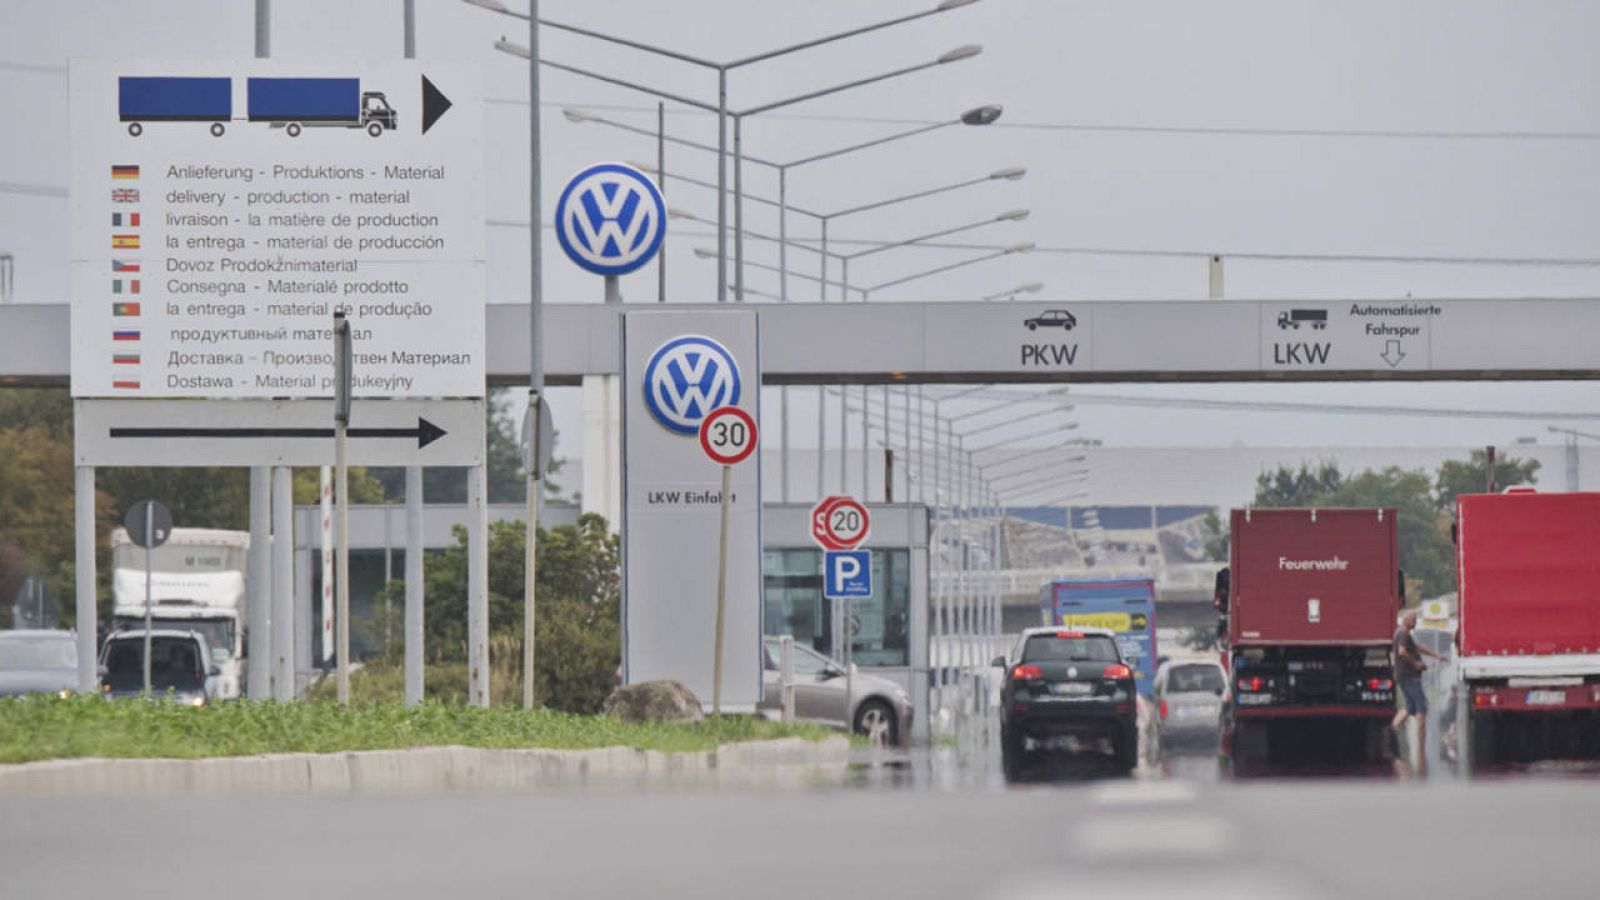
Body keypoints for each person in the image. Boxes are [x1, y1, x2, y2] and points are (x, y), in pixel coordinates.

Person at [1391, 610, 1446, 774]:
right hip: (1409, 677)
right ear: (1406, 620)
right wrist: (1415, 663)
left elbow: (1418, 647)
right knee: (1422, 707)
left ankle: (1392, 732)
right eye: (1413, 619)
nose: (1416, 622)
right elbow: (1402, 652)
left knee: (1410, 708)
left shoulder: (1404, 634)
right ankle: (1421, 749)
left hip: (1405, 677)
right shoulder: (1403, 635)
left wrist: (1436, 656)